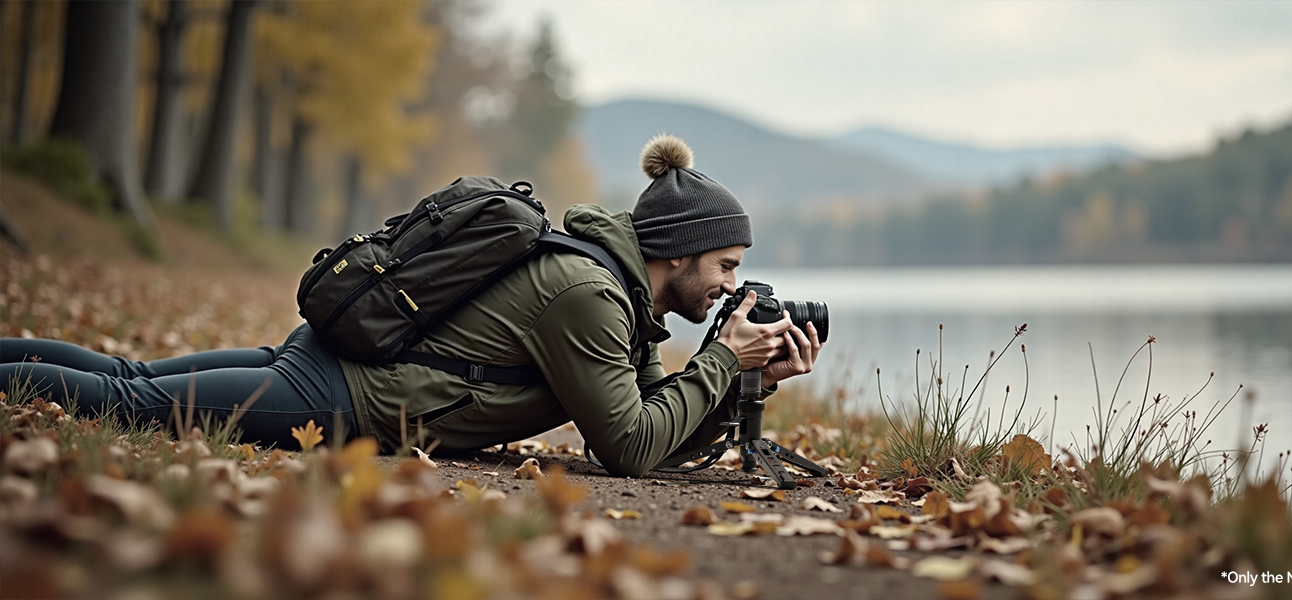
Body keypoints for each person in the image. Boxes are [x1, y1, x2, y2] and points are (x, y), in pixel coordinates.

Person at [0, 135, 822, 477]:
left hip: (339, 372)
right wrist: (721, 359)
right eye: (725, 264)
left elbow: (658, 435)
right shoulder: (590, 296)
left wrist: (753, 380)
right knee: (132, 398)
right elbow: (630, 449)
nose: (728, 283)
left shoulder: (624, 302)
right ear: (675, 251)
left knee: (132, 380)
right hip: (341, 395)